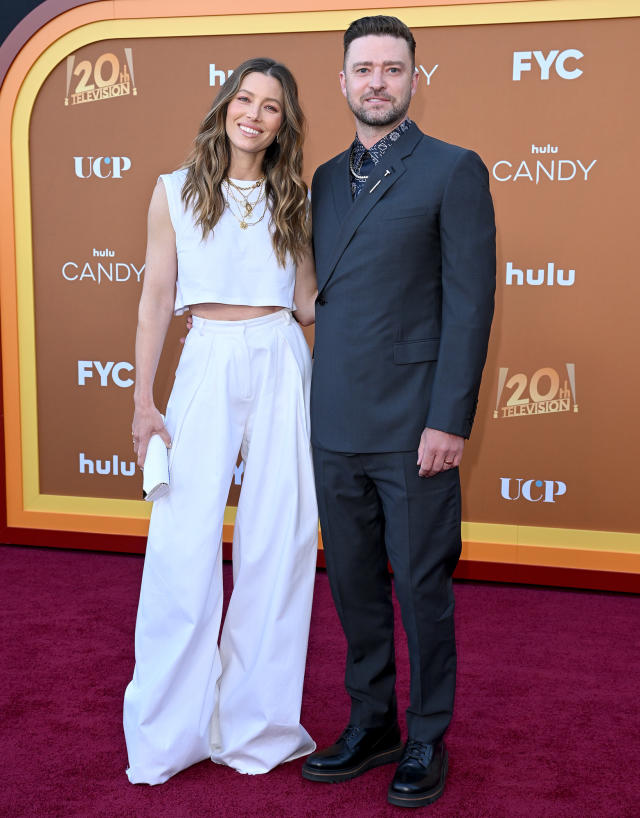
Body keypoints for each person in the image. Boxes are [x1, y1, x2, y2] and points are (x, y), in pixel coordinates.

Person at [301, 16, 496, 808]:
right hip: (335, 420)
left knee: (420, 588)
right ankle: (372, 720)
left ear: (416, 77)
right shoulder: (319, 180)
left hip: (417, 425)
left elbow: (470, 303)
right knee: (352, 585)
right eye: (363, 68)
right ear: (343, 82)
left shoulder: (453, 170)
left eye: (391, 67)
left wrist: (449, 421)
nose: (376, 80)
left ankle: (425, 735)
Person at [123, 57, 319, 785]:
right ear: (225, 105)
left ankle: (257, 730)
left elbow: (307, 303)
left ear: (283, 124)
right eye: (246, 98)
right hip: (204, 358)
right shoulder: (172, 192)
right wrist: (144, 400)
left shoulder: (296, 197)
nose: (256, 114)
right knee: (182, 547)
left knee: (281, 542)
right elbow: (154, 298)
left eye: (272, 106)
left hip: (279, 362)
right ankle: (168, 738)